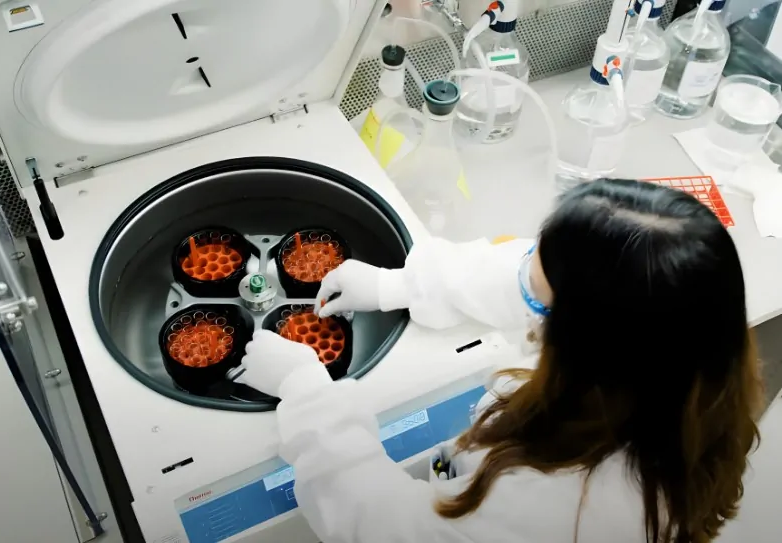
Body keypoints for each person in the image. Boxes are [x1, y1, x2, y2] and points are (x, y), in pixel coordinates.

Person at [237, 178, 764, 543]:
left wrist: (307, 388)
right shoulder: (686, 368)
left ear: (585, 342)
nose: (527, 307)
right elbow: (526, 274)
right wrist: (396, 284)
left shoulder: (562, 510)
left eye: (538, 301)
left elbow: (380, 525)